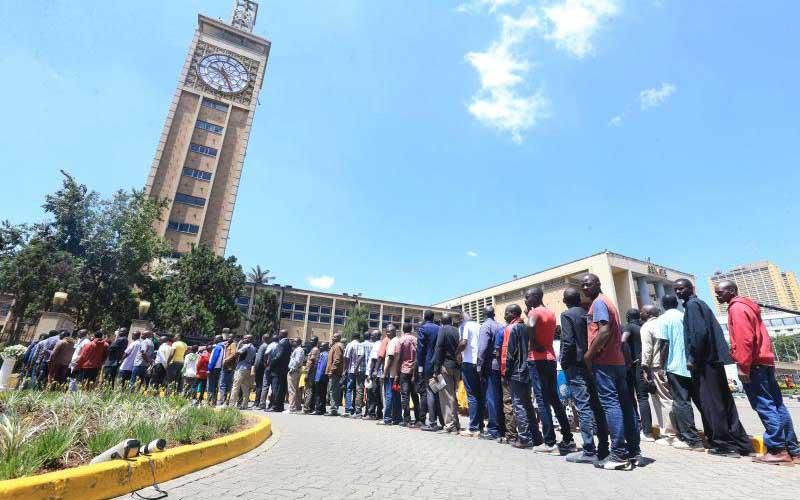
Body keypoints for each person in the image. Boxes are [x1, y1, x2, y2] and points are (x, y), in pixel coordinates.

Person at [715, 280, 800, 464]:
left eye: (720, 292)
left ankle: (778, 450)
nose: (717, 295)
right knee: (777, 406)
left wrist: (743, 366)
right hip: (764, 361)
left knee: (765, 406)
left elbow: (745, 340)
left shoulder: (736, 308)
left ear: (731, 291)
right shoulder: (749, 306)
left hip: (753, 364)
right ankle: (793, 450)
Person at [675, 278, 752, 457]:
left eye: (681, 289)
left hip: (705, 363)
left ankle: (724, 445)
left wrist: (692, 357)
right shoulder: (699, 304)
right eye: (676, 290)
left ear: (691, 288)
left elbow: (698, 334)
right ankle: (742, 444)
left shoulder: (693, 306)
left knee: (713, 405)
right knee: (725, 403)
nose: (678, 292)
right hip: (715, 361)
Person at [582, 273, 640, 470]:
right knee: (625, 405)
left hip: (605, 362)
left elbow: (605, 331)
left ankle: (618, 454)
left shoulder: (599, 303)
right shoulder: (609, 303)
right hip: (617, 361)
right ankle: (634, 451)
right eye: (583, 285)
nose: (585, 287)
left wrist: (588, 356)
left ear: (598, 284)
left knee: (611, 404)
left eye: (589, 284)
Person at [560, 287, 609, 464]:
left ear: (565, 301)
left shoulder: (566, 315)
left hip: (575, 364)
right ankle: (604, 446)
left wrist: (564, 361)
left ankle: (589, 449)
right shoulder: (587, 313)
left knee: (582, 405)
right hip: (591, 362)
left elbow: (568, 341)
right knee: (596, 404)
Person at [524, 287, 575, 453]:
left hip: (537, 360)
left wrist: (533, 342)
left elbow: (531, 327)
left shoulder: (534, 313)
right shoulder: (550, 313)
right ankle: (568, 439)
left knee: (542, 400)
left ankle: (550, 442)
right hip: (550, 358)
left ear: (535, 297)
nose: (525, 300)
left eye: (527, 297)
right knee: (554, 399)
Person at [656, 294, 704, 451]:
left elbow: (664, 343)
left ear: (663, 304)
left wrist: (661, 365)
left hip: (675, 365)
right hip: (691, 364)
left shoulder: (663, 319)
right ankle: (708, 435)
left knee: (681, 402)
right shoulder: (684, 316)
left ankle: (691, 439)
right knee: (698, 400)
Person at [502, 304, 545, 449]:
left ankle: (524, 437)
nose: (504, 315)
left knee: (519, 405)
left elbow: (509, 353)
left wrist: (506, 372)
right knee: (528, 405)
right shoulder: (527, 327)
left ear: (513, 314)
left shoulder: (511, 329)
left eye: (507, 312)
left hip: (516, 372)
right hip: (529, 370)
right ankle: (536, 436)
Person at [639, 304, 676, 445]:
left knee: (662, 400)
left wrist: (644, 367)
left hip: (655, 366)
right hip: (669, 365)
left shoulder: (646, 327)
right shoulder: (663, 323)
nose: (640, 313)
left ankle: (669, 434)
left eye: (642, 311)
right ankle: (667, 430)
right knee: (668, 398)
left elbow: (647, 349)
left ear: (648, 314)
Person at [623, 308, 652, 442]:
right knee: (644, 396)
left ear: (628, 317)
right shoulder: (643, 326)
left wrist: (626, 358)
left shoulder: (629, 327)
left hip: (634, 364)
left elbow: (623, 340)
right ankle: (648, 430)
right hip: (646, 363)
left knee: (635, 397)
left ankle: (641, 428)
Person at [477, 306, 505, 440]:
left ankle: (493, 429)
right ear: (494, 313)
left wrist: (479, 366)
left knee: (491, 397)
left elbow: (482, 349)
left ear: (484, 314)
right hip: (500, 365)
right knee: (500, 397)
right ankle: (502, 426)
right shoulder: (500, 325)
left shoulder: (485, 326)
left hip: (490, 365)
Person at [433, 314, 461, 434]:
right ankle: (456, 423)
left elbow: (438, 349)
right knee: (453, 396)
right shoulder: (457, 330)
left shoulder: (442, 330)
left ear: (441, 321)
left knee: (446, 396)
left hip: (446, 366)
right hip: (457, 367)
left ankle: (450, 425)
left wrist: (436, 369)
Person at [459, 312, 484, 437]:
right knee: (479, 395)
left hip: (468, 363)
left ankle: (473, 428)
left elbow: (463, 343)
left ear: (463, 319)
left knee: (472, 396)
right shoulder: (479, 326)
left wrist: (456, 352)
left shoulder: (466, 325)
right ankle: (480, 425)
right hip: (478, 363)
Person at [418, 311, 443, 432]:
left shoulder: (423, 328)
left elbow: (421, 349)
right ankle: (441, 421)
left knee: (430, 391)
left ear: (424, 317)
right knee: (438, 391)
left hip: (427, 365)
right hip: (439, 364)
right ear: (433, 318)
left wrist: (420, 367)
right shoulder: (439, 328)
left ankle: (432, 422)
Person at [379, 325, 402, 425]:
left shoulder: (393, 342)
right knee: (396, 396)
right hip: (396, 374)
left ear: (394, 331)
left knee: (389, 395)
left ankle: (387, 418)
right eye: (386, 331)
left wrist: (384, 373)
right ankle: (397, 418)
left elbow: (391, 358)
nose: (387, 333)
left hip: (390, 375)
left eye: (389, 332)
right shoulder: (398, 341)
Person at [397, 322, 419, 426]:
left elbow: (398, 357)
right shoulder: (415, 340)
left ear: (403, 329)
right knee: (415, 395)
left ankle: (406, 419)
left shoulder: (400, 340)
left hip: (404, 370)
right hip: (414, 370)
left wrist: (397, 372)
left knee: (405, 395)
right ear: (411, 329)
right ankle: (418, 418)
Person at [231, 335, 256, 410]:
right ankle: (245, 404)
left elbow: (236, 353)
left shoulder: (246, 347)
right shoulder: (253, 348)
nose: (243, 339)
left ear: (248, 339)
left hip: (241, 368)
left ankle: (231, 404)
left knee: (236, 386)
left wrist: (239, 344)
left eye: (244, 338)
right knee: (245, 387)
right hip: (248, 368)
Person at [268, 330, 291, 412]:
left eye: (279, 333)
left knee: (276, 389)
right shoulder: (288, 343)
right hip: (283, 370)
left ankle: (275, 406)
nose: (278, 334)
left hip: (277, 370)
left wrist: (271, 364)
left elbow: (278, 356)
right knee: (281, 389)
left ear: (281, 334)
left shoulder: (282, 343)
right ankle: (279, 406)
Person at [325, 332, 345, 416]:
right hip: (335, 372)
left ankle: (333, 409)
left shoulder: (337, 346)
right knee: (334, 390)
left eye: (334, 337)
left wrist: (331, 370)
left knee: (332, 390)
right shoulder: (336, 345)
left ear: (338, 338)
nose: (332, 338)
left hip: (334, 372)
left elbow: (337, 359)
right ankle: (334, 408)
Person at [365, 330, 384, 420]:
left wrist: (370, 373)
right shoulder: (381, 343)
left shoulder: (377, 344)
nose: (371, 336)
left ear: (377, 336)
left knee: (372, 394)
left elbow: (374, 360)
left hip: (375, 373)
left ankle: (371, 413)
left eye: (373, 335)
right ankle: (379, 413)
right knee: (378, 394)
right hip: (379, 373)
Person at [353, 332, 372, 418]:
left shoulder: (361, 345)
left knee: (359, 390)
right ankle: (368, 412)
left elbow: (360, 356)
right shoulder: (373, 345)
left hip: (361, 370)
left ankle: (358, 412)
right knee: (369, 391)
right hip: (369, 371)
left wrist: (356, 368)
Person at [343, 333, 361, 416]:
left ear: (352, 337)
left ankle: (348, 408)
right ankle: (355, 407)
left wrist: (344, 369)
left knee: (349, 389)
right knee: (357, 390)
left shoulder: (350, 345)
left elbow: (346, 358)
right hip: (359, 370)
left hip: (351, 370)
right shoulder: (360, 345)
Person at [258, 335, 278, 409]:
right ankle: (271, 404)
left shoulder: (271, 345)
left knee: (265, 386)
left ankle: (262, 404)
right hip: (275, 369)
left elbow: (266, 353)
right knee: (273, 387)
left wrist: (265, 364)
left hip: (268, 368)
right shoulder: (278, 346)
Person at [219, 334, 239, 406]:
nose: (229, 338)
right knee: (224, 384)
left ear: (233, 338)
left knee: (224, 384)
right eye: (228, 337)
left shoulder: (233, 344)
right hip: (226, 367)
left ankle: (223, 401)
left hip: (229, 367)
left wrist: (225, 360)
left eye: (230, 337)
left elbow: (233, 354)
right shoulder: (228, 344)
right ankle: (223, 400)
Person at [302, 336, 321, 414]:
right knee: (311, 390)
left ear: (316, 342)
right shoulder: (315, 349)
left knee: (308, 390)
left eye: (312, 340)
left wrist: (307, 373)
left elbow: (312, 362)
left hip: (311, 372)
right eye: (310, 340)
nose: (310, 341)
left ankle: (306, 408)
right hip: (313, 372)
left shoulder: (315, 349)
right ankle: (310, 407)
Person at [287, 338, 306, 413]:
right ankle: (298, 406)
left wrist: (292, 369)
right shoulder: (299, 350)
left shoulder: (298, 350)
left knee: (292, 389)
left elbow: (297, 361)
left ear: (298, 342)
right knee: (297, 390)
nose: (292, 342)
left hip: (294, 371)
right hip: (297, 371)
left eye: (294, 341)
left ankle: (292, 408)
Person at [206, 335, 226, 405]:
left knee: (210, 385)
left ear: (218, 339)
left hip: (213, 368)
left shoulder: (217, 347)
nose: (214, 339)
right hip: (218, 368)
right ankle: (213, 401)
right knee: (215, 386)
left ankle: (209, 401)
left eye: (215, 338)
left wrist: (209, 368)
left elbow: (214, 358)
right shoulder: (222, 347)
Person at [253, 334, 271, 409]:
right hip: (263, 367)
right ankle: (257, 402)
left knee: (259, 386)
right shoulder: (267, 346)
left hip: (260, 368)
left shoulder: (263, 346)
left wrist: (255, 368)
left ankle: (257, 403)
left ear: (262, 338)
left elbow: (259, 359)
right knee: (260, 385)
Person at [313, 343, 331, 415]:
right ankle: (322, 409)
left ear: (325, 347)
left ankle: (318, 409)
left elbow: (322, 367)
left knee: (319, 394)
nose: (320, 347)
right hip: (322, 377)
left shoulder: (324, 355)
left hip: (320, 377)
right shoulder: (325, 354)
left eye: (322, 346)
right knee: (323, 394)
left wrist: (318, 378)